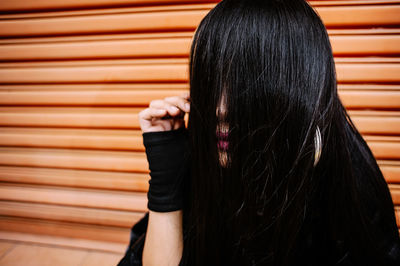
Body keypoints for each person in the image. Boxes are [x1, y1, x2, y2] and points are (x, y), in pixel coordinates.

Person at [117, 0, 400, 265]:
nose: (219, 108)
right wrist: (166, 181)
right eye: (213, 79)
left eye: (243, 81)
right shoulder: (202, 155)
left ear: (290, 87)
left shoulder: (347, 178)